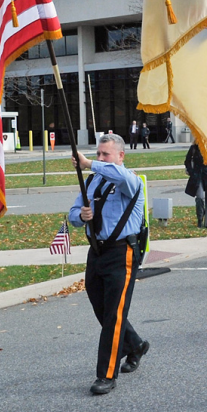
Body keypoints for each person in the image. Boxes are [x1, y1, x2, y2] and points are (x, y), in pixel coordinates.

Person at [69, 133, 148, 395]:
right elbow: (73, 213)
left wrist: (89, 162)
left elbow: (120, 177)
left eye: (106, 154)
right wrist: (81, 215)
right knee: (102, 309)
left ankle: (106, 374)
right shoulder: (92, 182)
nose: (101, 158)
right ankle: (134, 344)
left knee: (114, 315)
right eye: (99, 153)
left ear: (120, 156)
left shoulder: (129, 180)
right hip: (97, 252)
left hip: (121, 253)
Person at [184, 142, 207, 228]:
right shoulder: (194, 148)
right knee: (199, 197)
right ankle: (200, 218)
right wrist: (191, 172)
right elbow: (187, 161)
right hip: (198, 176)